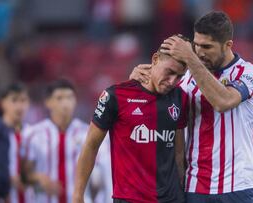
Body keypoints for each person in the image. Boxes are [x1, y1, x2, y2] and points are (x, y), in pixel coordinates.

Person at [131, 11, 253, 203]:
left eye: (207, 46)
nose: (200, 52)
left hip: (238, 187)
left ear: (228, 45)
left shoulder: (250, 73)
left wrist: (190, 57)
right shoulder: (184, 78)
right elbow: (154, 108)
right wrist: (139, 82)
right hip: (195, 187)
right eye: (197, 45)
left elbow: (223, 101)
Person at [73, 46, 189, 203]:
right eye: (169, 72)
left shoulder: (179, 97)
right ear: (155, 59)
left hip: (171, 199)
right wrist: (78, 195)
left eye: (179, 77)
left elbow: (178, 151)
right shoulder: (115, 96)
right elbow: (91, 146)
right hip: (130, 199)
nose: (172, 81)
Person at [24, 79, 109, 203]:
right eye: (59, 98)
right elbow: (24, 172)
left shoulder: (87, 133)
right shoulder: (34, 134)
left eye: (70, 98)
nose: (65, 103)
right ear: (48, 102)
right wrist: (38, 178)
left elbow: (102, 171)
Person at [0, 82, 34, 203]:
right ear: (2, 102)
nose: (19, 106)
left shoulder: (34, 134)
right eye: (14, 100)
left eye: (23, 101)